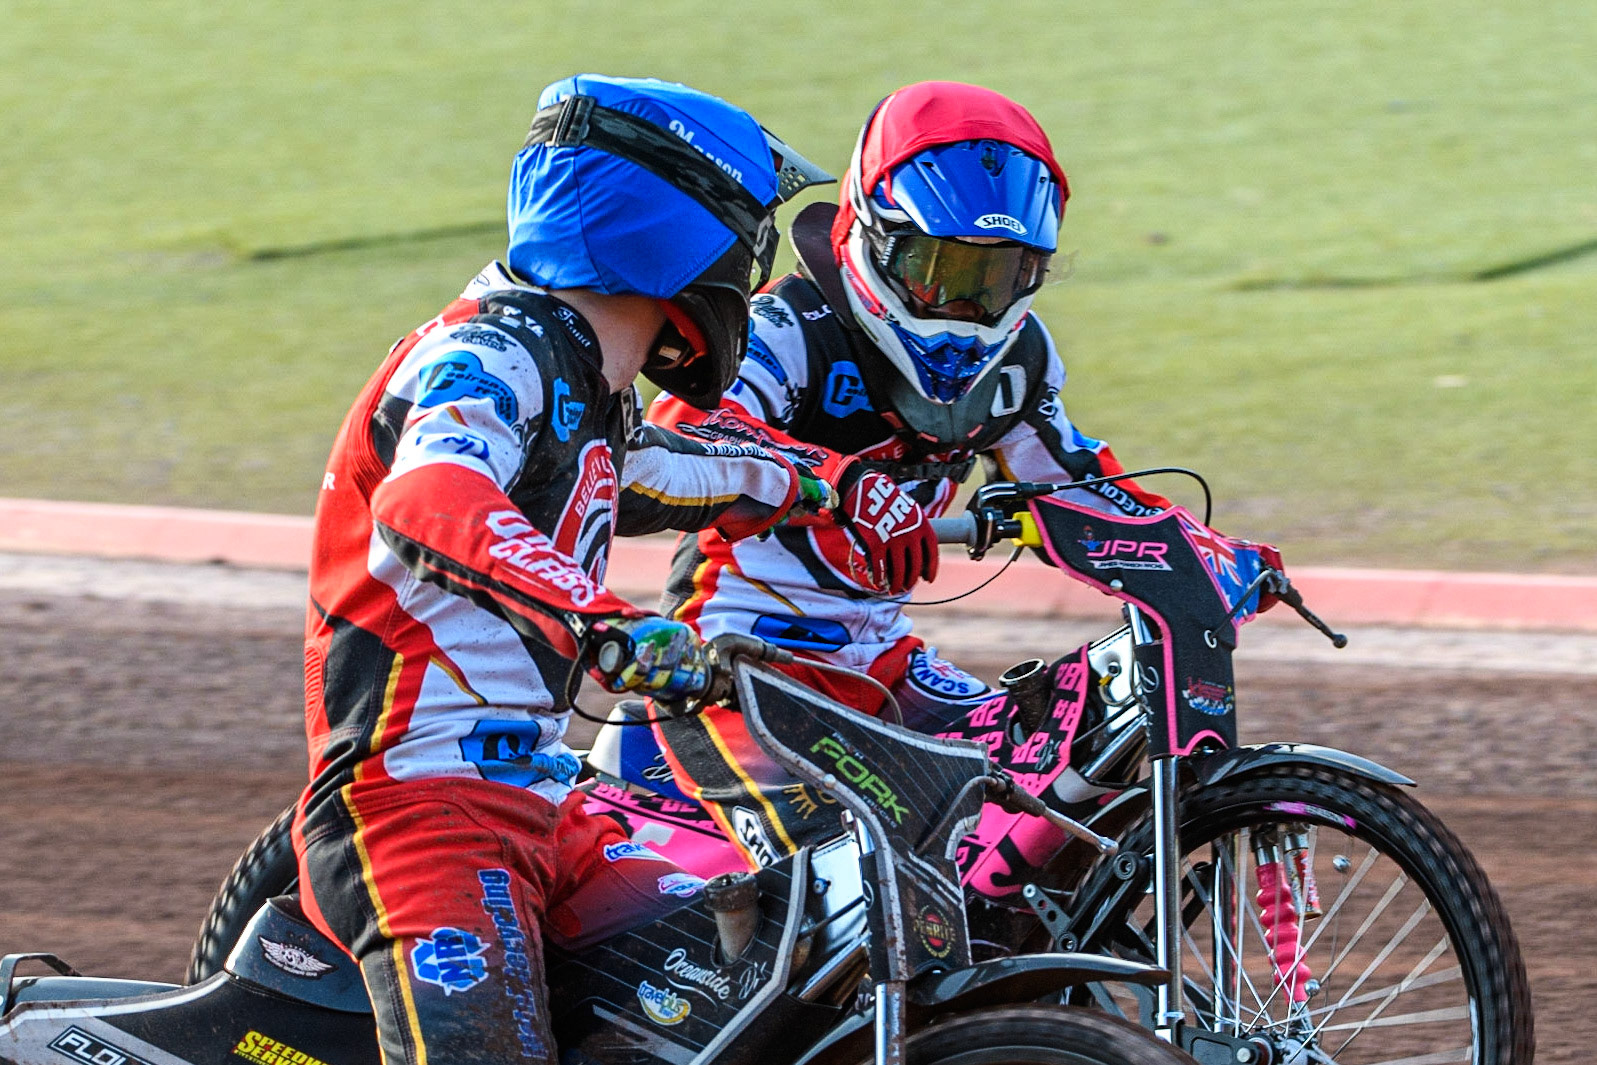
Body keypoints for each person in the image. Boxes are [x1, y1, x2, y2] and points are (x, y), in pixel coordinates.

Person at [292, 74, 831, 1064]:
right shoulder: (482, 355)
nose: (752, 278)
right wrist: (604, 619)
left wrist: (825, 487)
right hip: (423, 805)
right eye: (746, 239)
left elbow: (661, 477)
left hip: (551, 804)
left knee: (760, 980)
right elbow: (428, 500)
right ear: (682, 233)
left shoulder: (579, 381)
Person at [646, 80, 1173, 867]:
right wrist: (840, 482)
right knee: (861, 891)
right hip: (736, 672)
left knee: (1066, 785)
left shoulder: (1018, 363)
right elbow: (675, 438)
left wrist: (1197, 549)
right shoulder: (785, 329)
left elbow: (1076, 485)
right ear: (873, 237)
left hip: (888, 670)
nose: (964, 308)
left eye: (994, 280)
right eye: (939, 272)